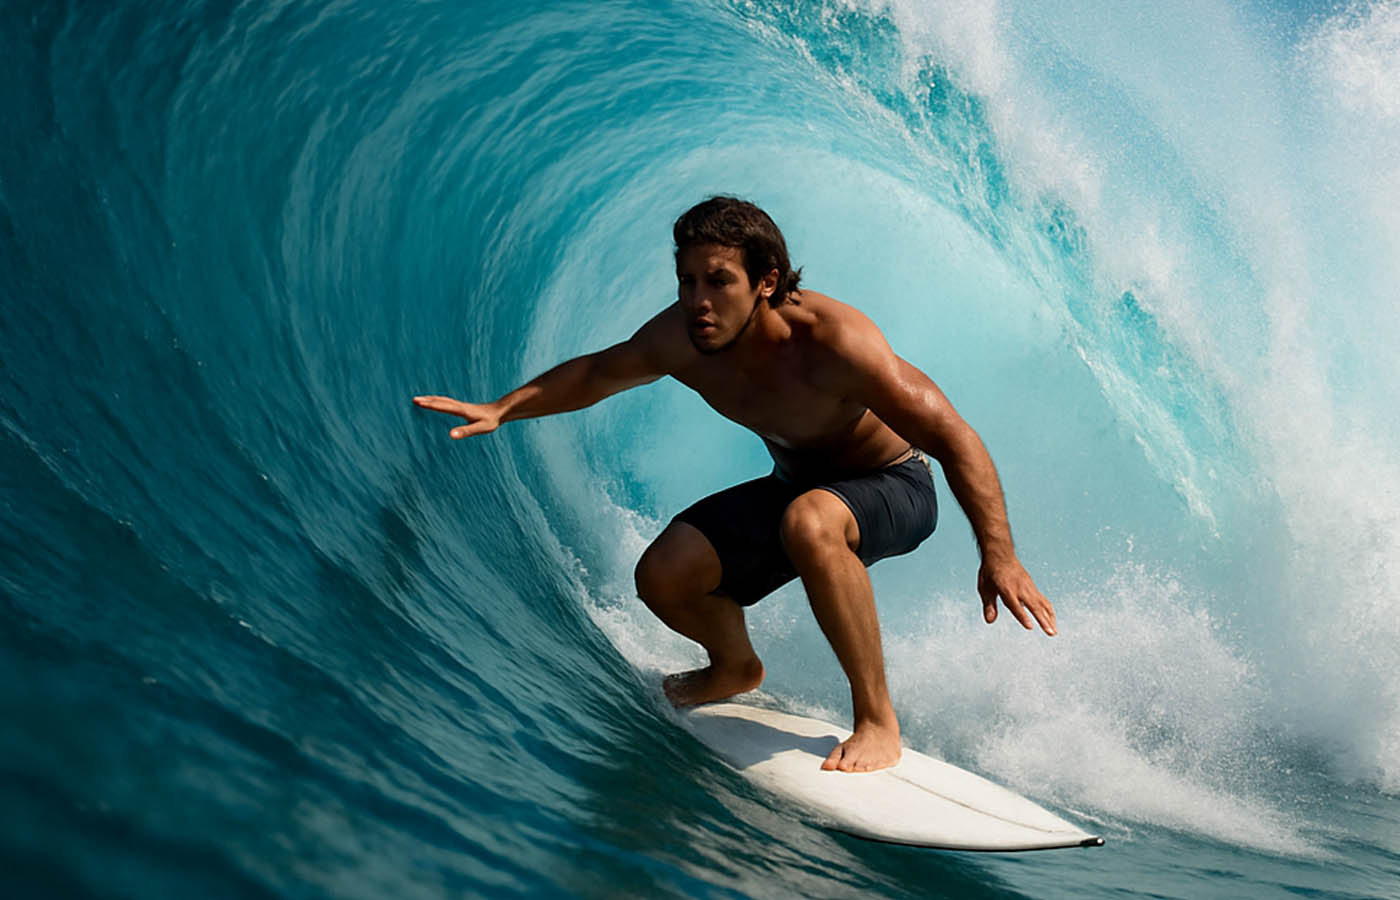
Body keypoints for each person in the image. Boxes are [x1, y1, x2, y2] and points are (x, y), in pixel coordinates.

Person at [414, 196, 1056, 773]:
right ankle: (734, 667)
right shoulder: (682, 339)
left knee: (812, 520)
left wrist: (998, 553)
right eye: (687, 281)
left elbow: (955, 437)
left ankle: (878, 720)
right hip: (800, 485)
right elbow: (598, 374)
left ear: (766, 282)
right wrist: (503, 408)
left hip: (892, 482)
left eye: (719, 281)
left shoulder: (835, 343)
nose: (698, 300)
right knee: (663, 575)